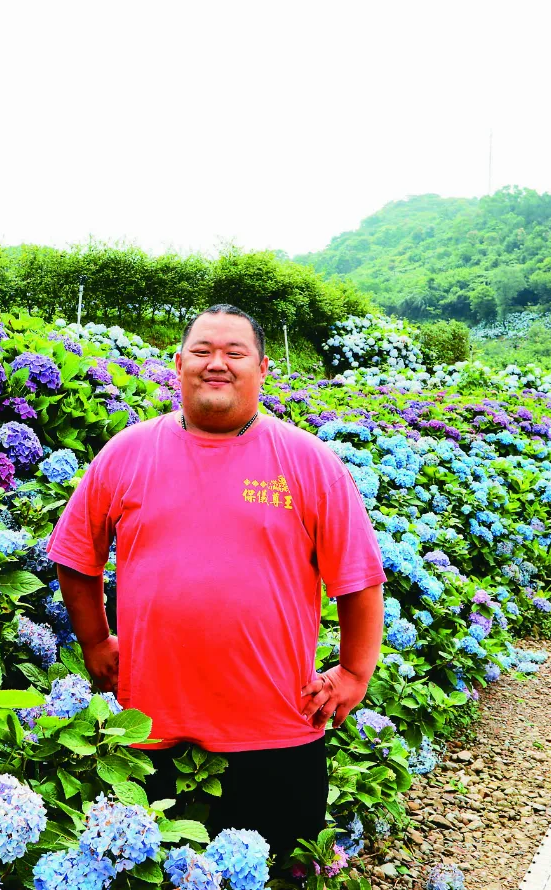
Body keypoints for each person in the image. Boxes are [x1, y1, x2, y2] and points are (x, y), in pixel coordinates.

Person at [46, 303, 386, 860]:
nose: (217, 364)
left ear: (263, 367)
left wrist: (354, 673)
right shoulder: (127, 453)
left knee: (277, 869)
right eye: (202, 352)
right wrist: (94, 642)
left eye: (235, 353)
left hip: (277, 729)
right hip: (147, 733)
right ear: (178, 364)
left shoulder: (308, 461)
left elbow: (359, 580)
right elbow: (76, 556)